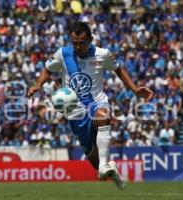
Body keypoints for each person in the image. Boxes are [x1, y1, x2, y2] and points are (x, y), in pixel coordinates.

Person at [28, 22, 154, 189]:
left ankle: (104, 165)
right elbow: (47, 69)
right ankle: (107, 165)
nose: (78, 46)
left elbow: (119, 70)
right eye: (75, 42)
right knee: (94, 162)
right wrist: (38, 85)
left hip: (96, 102)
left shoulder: (102, 54)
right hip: (75, 112)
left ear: (91, 39)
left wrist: (135, 90)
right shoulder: (63, 54)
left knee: (104, 117)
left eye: (82, 42)